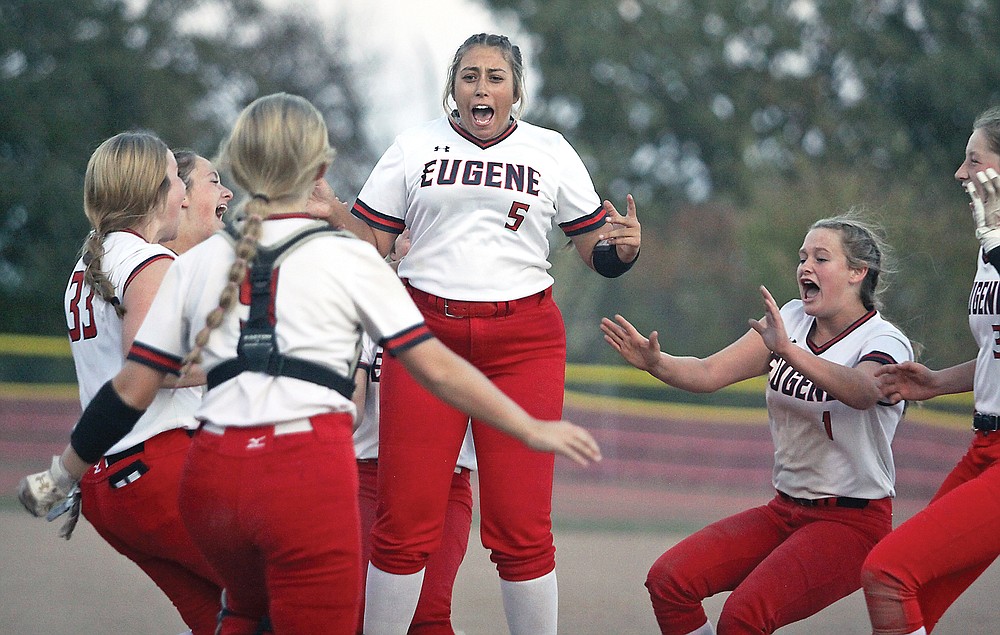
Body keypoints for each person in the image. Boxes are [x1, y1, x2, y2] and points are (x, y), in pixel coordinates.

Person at [17, 92, 601, 634]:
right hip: (303, 475)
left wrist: (61, 476)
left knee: (243, 616)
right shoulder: (350, 261)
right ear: (318, 169)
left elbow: (130, 388)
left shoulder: (194, 262)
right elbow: (438, 369)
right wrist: (527, 427)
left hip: (212, 477)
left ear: (239, 168)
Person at [319, 32, 640, 635]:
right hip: (424, 335)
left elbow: (595, 249)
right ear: (454, 88)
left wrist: (622, 251)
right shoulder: (414, 146)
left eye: (495, 77)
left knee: (522, 527)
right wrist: (333, 212)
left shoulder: (549, 150)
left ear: (516, 90)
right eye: (470, 76)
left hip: (524, 340)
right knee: (404, 522)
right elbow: (372, 243)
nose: (482, 87)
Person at [601, 213, 913, 634]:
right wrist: (657, 363)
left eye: (821, 258)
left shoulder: (883, 340)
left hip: (852, 523)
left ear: (858, 272)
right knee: (670, 581)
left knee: (743, 617)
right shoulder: (792, 319)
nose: (805, 267)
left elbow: (862, 391)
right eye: (803, 257)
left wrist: (788, 351)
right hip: (786, 510)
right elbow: (709, 373)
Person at [16, 134, 231, 634]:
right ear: (155, 190)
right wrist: (245, 358)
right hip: (157, 468)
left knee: (226, 620)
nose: (184, 192)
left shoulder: (91, 262)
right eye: (177, 180)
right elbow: (154, 367)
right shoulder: (150, 261)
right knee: (292, 598)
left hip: (106, 482)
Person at [861, 106, 1000, 635]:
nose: (961, 173)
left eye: (974, 160)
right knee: (913, 594)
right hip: (985, 446)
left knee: (888, 572)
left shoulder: (995, 244)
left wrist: (996, 239)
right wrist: (938, 382)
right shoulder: (990, 249)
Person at [352, 230, 478, 635]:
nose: (418, 239)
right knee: (360, 614)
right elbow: (351, 411)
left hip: (446, 484)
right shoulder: (366, 309)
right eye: (408, 231)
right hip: (368, 479)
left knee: (429, 615)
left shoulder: (473, 311)